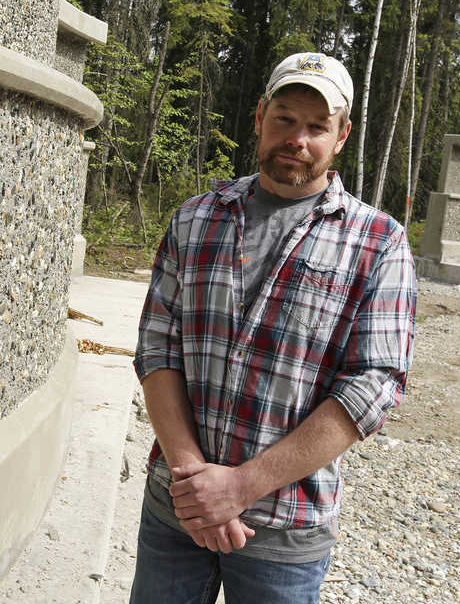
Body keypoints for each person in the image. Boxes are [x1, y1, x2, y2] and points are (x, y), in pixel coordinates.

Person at [129, 52, 416, 603]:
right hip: (176, 507)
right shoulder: (196, 218)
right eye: (285, 118)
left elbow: (373, 386)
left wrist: (239, 486)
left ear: (342, 136)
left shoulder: (379, 242)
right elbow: (158, 347)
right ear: (259, 117)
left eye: (317, 126)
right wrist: (196, 481)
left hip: (285, 527)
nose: (297, 139)